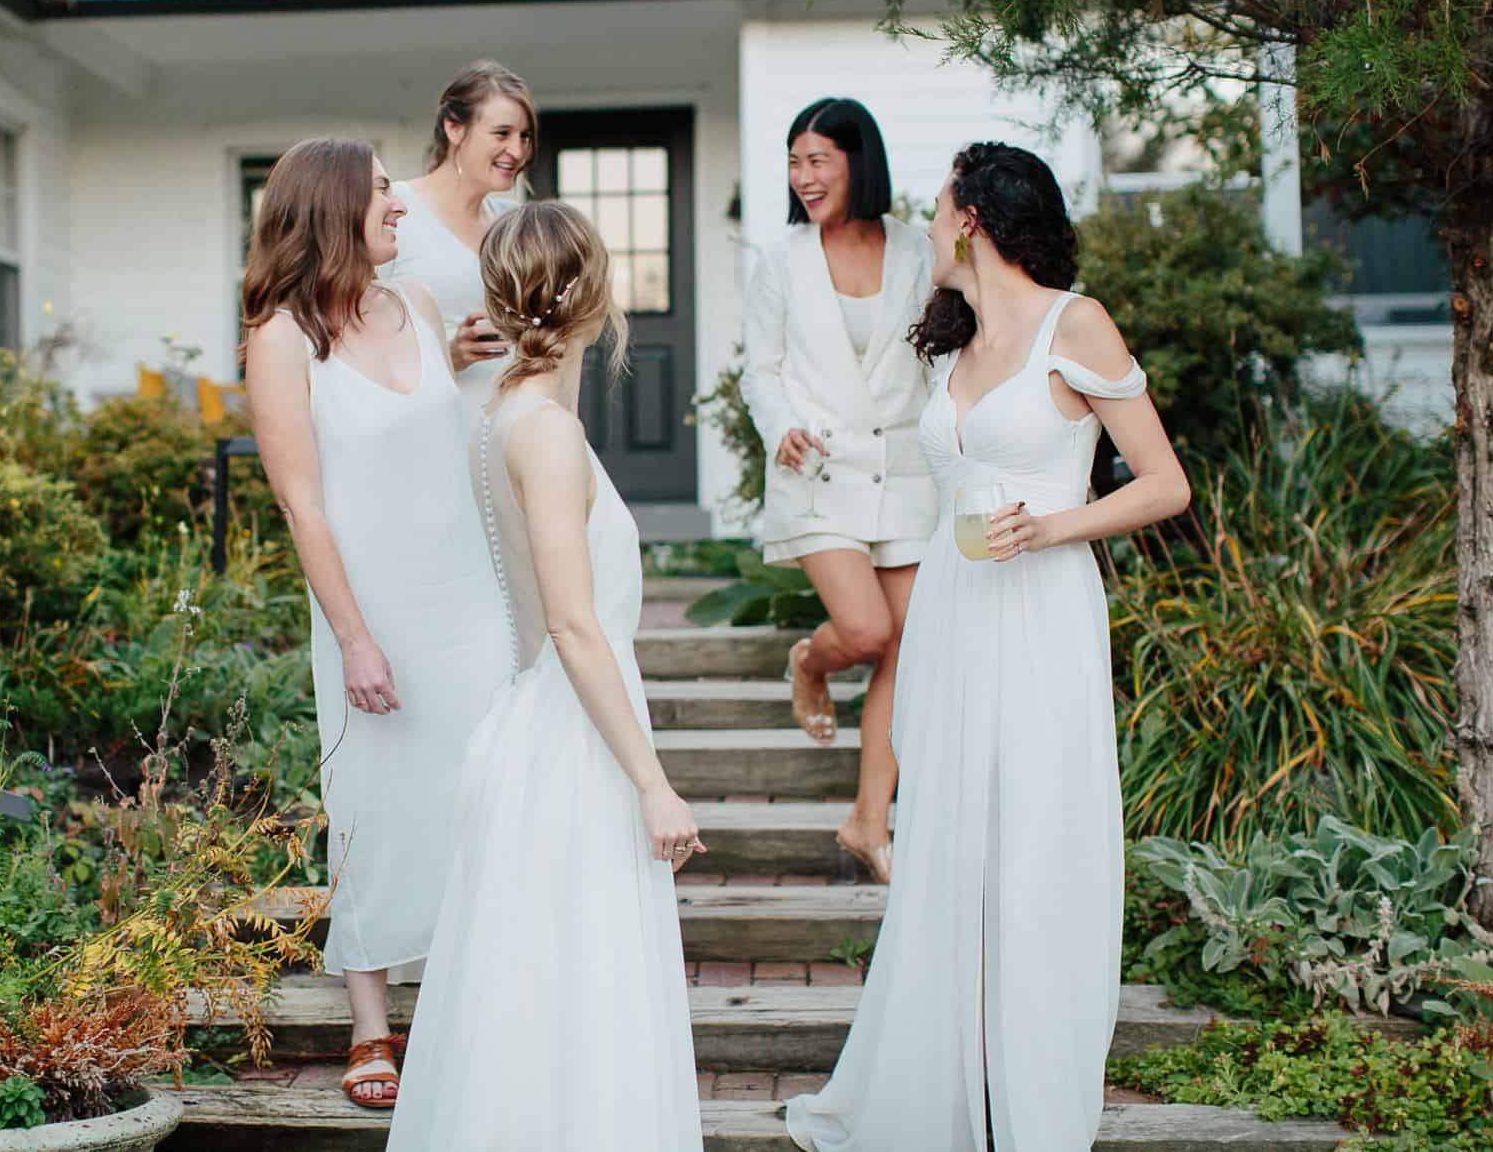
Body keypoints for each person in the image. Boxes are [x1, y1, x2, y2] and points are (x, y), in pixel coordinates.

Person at [783, 142, 1191, 1151]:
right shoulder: (951, 339)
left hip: (1041, 604)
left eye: (936, 208)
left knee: (1035, 840)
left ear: (973, 221)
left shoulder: (1075, 321)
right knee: (952, 838)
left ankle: (1033, 1092)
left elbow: (1162, 483)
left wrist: (1053, 524)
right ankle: (947, 1081)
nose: (924, 224)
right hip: (955, 606)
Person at [386, 201, 704, 1152]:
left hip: (538, 725)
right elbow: (571, 621)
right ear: (593, 296)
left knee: (537, 1008)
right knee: (581, 1000)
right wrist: (652, 781)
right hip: (572, 744)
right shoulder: (545, 433)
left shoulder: (506, 417)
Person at [240, 137, 512, 1110]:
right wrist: (354, 634)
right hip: (372, 607)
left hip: (468, 598)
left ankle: (468, 1005)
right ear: (333, 208)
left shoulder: (421, 308)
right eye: (385, 192)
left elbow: (455, 448)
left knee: (478, 795)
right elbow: (303, 504)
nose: (402, 207)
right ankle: (370, 1021)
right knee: (375, 798)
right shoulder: (281, 337)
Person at [739, 97, 938, 883]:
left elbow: (946, 352)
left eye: (818, 158)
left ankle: (867, 821)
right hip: (816, 469)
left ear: (859, 160)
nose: (804, 176)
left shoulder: (919, 250)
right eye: (795, 161)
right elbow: (761, 368)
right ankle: (811, 664)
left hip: (908, 475)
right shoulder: (782, 257)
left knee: (905, 651)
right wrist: (778, 422)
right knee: (864, 631)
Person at [383, 59, 539, 407]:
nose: (517, 151)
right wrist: (452, 355)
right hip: (435, 423)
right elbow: (358, 341)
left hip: (512, 418)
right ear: (454, 129)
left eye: (524, 136)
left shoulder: (513, 222)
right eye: (502, 133)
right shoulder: (393, 210)